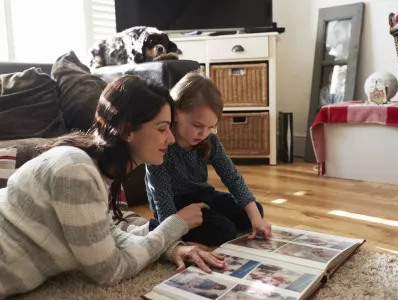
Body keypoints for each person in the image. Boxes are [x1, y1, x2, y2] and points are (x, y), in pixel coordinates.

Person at [0, 75, 225, 300]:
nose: (171, 139)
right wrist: (176, 224)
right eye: (162, 129)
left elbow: (110, 236)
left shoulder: (93, 170)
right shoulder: (76, 171)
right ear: (127, 131)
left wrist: (170, 247)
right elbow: (109, 270)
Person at [145, 72, 271, 246]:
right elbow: (161, 195)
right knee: (225, 231)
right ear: (176, 113)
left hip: (202, 195)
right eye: (197, 126)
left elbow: (232, 177)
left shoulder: (209, 141)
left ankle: (215, 222)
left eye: (210, 127)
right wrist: (174, 236)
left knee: (254, 210)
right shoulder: (162, 145)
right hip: (174, 204)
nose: (203, 133)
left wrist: (256, 219)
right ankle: (154, 227)